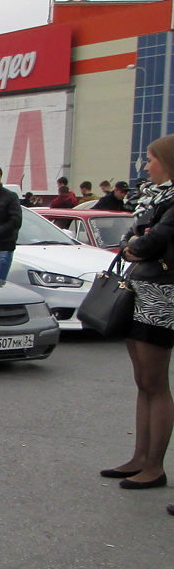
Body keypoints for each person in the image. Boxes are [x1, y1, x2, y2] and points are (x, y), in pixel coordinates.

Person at [101, 134, 174, 497]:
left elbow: (150, 241)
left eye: (151, 159)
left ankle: (154, 466)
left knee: (155, 382)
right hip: (142, 287)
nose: (146, 165)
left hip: (163, 293)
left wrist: (138, 244)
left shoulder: (173, 200)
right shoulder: (155, 198)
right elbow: (133, 236)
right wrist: (137, 243)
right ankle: (139, 457)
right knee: (143, 381)